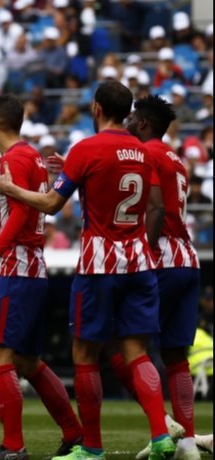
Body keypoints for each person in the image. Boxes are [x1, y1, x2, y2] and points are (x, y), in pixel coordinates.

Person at [0, 81, 174, 460]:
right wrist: (71, 172)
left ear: (96, 108)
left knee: (85, 353)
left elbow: (50, 204)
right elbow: (143, 198)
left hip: (99, 264)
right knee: (137, 352)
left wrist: (12, 190)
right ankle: (161, 436)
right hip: (139, 262)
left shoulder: (87, 148)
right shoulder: (143, 152)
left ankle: (91, 448)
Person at [0, 95, 82, 460]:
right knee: (27, 361)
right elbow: (33, 208)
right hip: (33, 265)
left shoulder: (12, 159)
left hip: (16, 266)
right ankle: (73, 432)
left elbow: (19, 211)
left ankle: (13, 446)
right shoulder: (32, 155)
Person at [122, 95, 202, 460]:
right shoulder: (176, 157)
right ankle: (188, 442)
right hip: (187, 259)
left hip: (162, 258)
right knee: (175, 356)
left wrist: (145, 252)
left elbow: (154, 209)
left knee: (121, 344)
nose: (127, 122)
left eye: (132, 118)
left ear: (143, 124)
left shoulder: (147, 153)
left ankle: (163, 425)